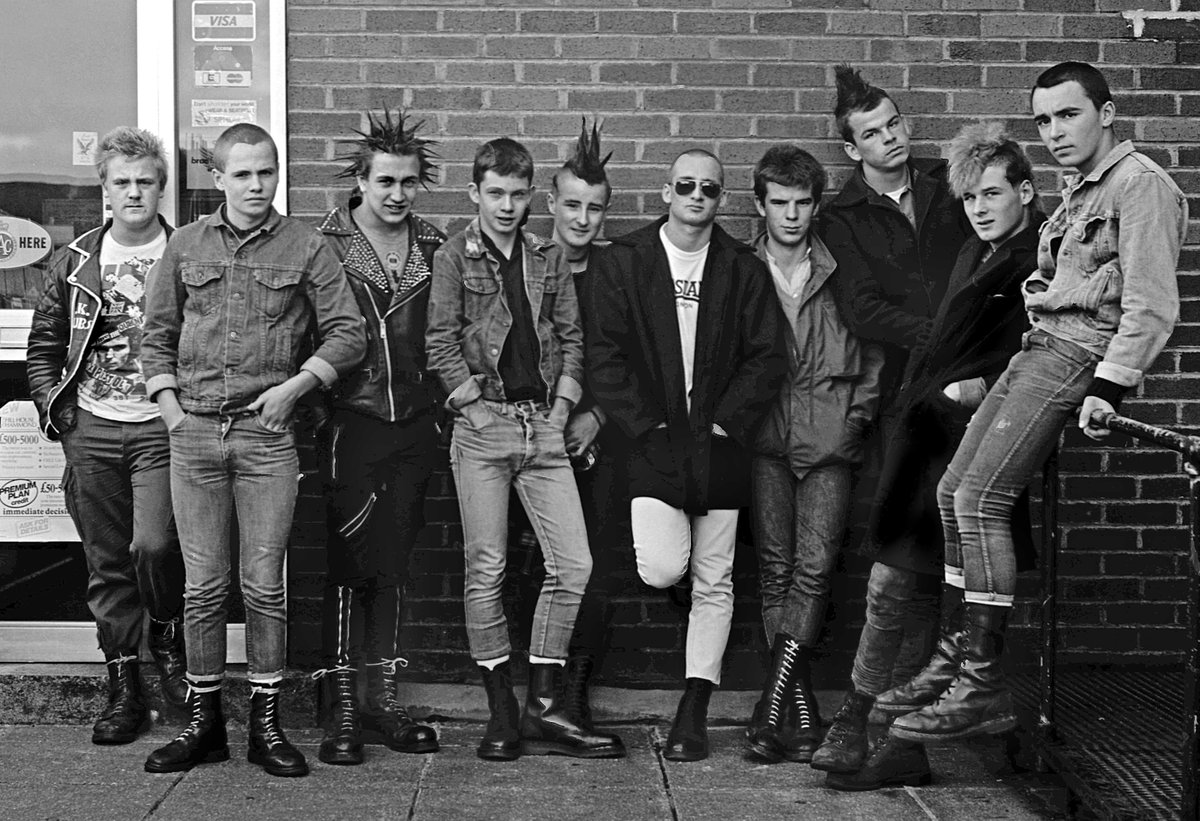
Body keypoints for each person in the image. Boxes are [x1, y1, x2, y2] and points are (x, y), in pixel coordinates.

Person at [889, 62, 1187, 749]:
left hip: (1072, 357)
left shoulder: (1141, 186)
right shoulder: (1080, 190)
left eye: (1068, 114)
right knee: (952, 490)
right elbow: (1053, 277)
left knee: (980, 502)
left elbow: (1151, 305)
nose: (1054, 131)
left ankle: (984, 683)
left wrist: (1109, 386)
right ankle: (963, 654)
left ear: (1106, 113)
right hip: (1038, 347)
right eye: (1044, 120)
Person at [141, 123, 366, 778]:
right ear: (218, 178)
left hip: (267, 438)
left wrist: (298, 386)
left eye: (266, 172)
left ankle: (266, 725)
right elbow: (155, 336)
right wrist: (173, 412)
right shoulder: (185, 245)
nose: (257, 185)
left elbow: (347, 333)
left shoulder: (307, 245)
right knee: (205, 586)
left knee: (264, 584)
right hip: (194, 437)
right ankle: (204, 722)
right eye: (242, 173)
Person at [828, 122, 1046, 790]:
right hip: (930, 443)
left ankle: (880, 727)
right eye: (971, 198)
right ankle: (877, 725)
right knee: (904, 587)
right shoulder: (978, 253)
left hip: (971, 445)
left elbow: (1042, 349)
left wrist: (967, 387)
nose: (980, 208)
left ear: (1026, 191)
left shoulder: (1033, 259)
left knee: (929, 592)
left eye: (992, 193)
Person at [425, 137, 621, 761]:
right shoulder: (456, 254)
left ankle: (542, 702)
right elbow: (440, 342)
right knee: (487, 568)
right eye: (495, 194)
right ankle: (501, 711)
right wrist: (477, 410)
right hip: (481, 427)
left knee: (575, 565)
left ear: (531, 195)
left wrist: (562, 408)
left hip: (543, 425)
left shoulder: (548, 256)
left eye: (517, 194)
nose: (507, 206)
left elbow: (571, 338)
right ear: (475, 193)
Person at [588, 149, 785, 762]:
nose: (697, 196)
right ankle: (683, 596)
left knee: (715, 579)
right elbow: (604, 353)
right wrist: (643, 425)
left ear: (721, 198)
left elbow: (766, 354)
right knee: (662, 569)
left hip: (719, 445)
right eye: (686, 186)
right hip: (653, 443)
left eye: (710, 188)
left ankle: (694, 706)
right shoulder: (626, 262)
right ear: (666, 191)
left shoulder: (741, 269)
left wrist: (730, 420)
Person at [812, 64, 972, 775]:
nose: (891, 140)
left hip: (976, 399)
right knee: (893, 568)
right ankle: (859, 714)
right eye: (873, 134)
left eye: (896, 124)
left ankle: (908, 735)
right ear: (853, 149)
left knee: (956, 568)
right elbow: (863, 309)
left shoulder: (949, 188)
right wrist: (946, 334)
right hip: (904, 405)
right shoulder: (842, 217)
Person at [26, 126, 186, 745]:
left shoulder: (184, 252)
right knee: (106, 562)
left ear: (161, 187)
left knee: (154, 546)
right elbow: (44, 345)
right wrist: (57, 416)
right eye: (122, 182)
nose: (135, 192)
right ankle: (124, 683)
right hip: (92, 427)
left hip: (161, 430)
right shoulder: (77, 261)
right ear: (104, 190)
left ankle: (167, 633)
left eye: (146, 181)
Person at [311, 108, 446, 765]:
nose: (397, 194)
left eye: (409, 182)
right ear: (360, 180)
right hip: (351, 421)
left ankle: (380, 698)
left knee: (394, 558)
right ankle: (340, 705)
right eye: (385, 181)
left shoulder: (436, 243)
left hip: (416, 423)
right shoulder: (327, 243)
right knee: (347, 562)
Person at [742, 145, 884, 765]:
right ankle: (796, 706)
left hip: (829, 438)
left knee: (814, 569)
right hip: (767, 439)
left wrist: (856, 419)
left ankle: (770, 707)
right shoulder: (743, 267)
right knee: (775, 571)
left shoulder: (841, 264)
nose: (792, 215)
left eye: (803, 203)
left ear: (816, 204)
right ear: (760, 205)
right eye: (780, 203)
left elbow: (875, 347)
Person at [544, 120, 628, 753]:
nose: (582, 218)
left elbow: (634, 359)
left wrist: (595, 416)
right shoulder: (520, 263)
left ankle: (574, 697)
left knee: (594, 570)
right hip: (523, 441)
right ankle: (533, 699)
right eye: (571, 204)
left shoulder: (616, 272)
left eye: (594, 208)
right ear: (551, 203)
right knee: (529, 569)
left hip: (597, 444)